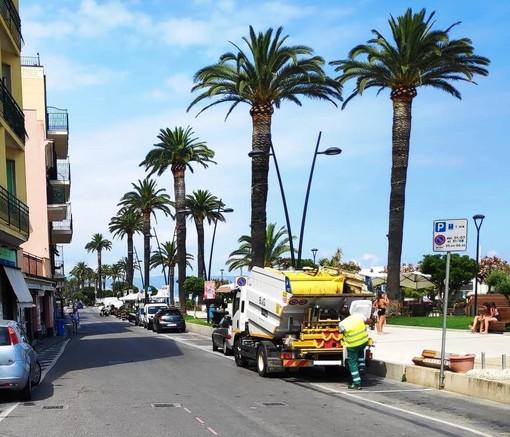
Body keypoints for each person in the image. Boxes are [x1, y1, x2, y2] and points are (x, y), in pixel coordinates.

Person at [339, 311, 371, 390]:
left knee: (352, 363)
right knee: (360, 351)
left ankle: (356, 383)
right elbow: (370, 321)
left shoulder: (342, 324)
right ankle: (362, 367)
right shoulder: (357, 316)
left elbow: (340, 331)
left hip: (352, 345)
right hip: (363, 341)